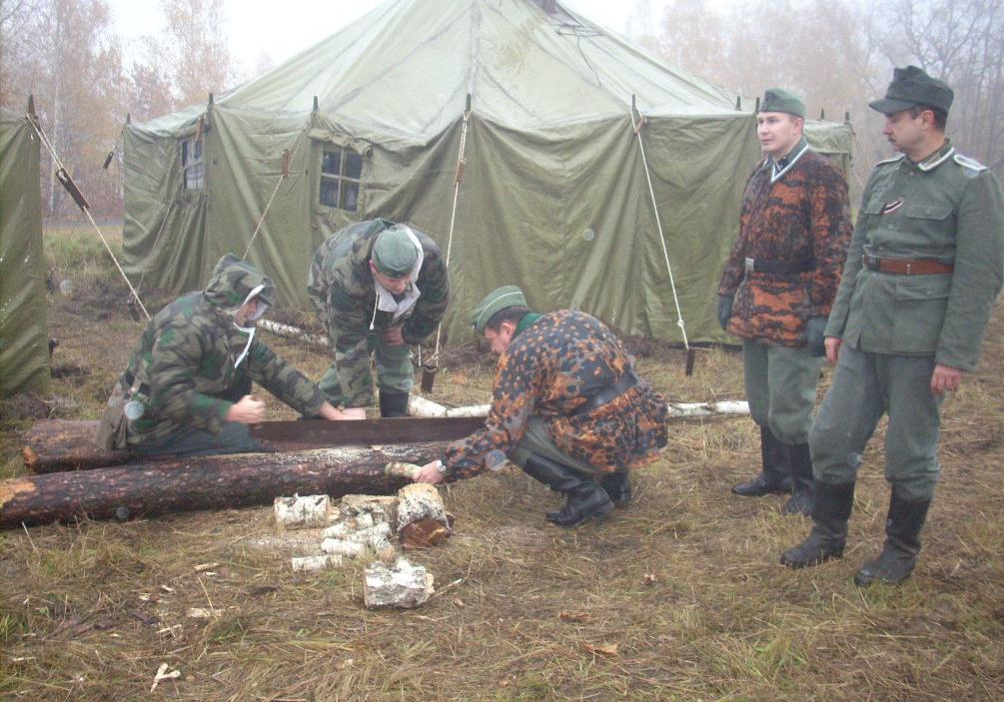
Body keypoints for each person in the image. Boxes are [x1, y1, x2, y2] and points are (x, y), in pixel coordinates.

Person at [781, 66, 1004, 586]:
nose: (886, 128)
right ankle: (828, 535)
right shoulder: (885, 175)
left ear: (926, 119)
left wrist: (954, 355)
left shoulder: (971, 183)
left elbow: (979, 279)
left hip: (921, 344)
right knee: (830, 435)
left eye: (895, 118)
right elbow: (859, 255)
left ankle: (899, 551)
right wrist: (838, 324)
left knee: (909, 454)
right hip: (865, 333)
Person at [415, 286, 667, 527]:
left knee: (515, 439)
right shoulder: (576, 318)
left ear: (506, 329)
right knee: (605, 404)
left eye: (491, 340)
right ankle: (616, 486)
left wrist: (444, 467)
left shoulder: (520, 353)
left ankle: (585, 495)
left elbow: (501, 436)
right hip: (643, 429)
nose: (493, 349)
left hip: (607, 440)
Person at [717, 88, 852, 516]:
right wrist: (727, 289)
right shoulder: (761, 174)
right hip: (755, 304)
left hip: (797, 306)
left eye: (773, 121)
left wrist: (825, 313)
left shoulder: (820, 175)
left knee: (791, 407)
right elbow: (743, 239)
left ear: (798, 125)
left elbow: (835, 251)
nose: (764, 129)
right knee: (762, 402)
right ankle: (775, 475)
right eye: (760, 121)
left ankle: (808, 487)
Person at [99, 253, 363, 458]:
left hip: (174, 410)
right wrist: (232, 412)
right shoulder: (185, 327)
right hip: (147, 424)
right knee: (246, 439)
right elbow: (168, 397)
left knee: (242, 374)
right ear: (233, 299)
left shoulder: (226, 320)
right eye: (251, 301)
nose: (254, 309)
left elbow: (275, 371)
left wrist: (335, 416)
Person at [308, 219, 449, 417]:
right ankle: (314, 416)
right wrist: (356, 404)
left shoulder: (429, 257)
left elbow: (436, 302)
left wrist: (409, 333)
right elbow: (349, 344)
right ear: (374, 268)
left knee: (394, 345)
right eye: (393, 280)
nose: (401, 286)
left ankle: (394, 417)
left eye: (407, 277)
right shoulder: (346, 276)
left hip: (375, 289)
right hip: (325, 283)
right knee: (356, 353)